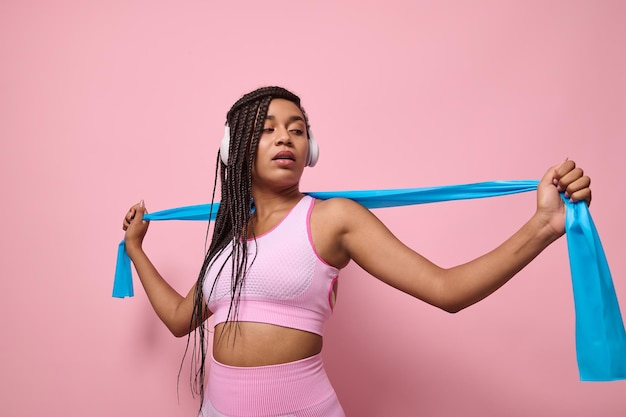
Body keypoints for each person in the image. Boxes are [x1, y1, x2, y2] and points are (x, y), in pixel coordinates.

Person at [122, 86, 592, 417]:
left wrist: (543, 226)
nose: (286, 137)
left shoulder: (332, 219)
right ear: (234, 148)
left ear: (311, 149)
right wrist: (137, 249)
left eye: (297, 129)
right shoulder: (228, 238)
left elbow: (447, 290)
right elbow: (182, 320)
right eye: (267, 129)